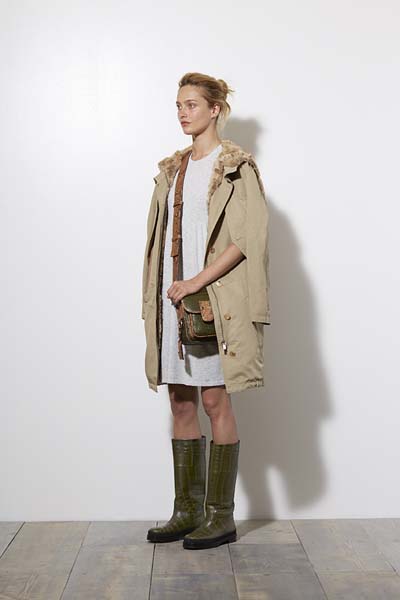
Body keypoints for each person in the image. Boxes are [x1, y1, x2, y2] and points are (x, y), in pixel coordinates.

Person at [142, 72, 271, 550]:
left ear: (215, 109)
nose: (183, 113)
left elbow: (246, 239)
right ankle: (187, 510)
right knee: (180, 401)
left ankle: (220, 516)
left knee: (215, 401)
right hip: (171, 301)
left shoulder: (236, 167)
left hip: (213, 304)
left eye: (192, 104)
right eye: (178, 105)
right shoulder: (172, 170)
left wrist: (196, 282)